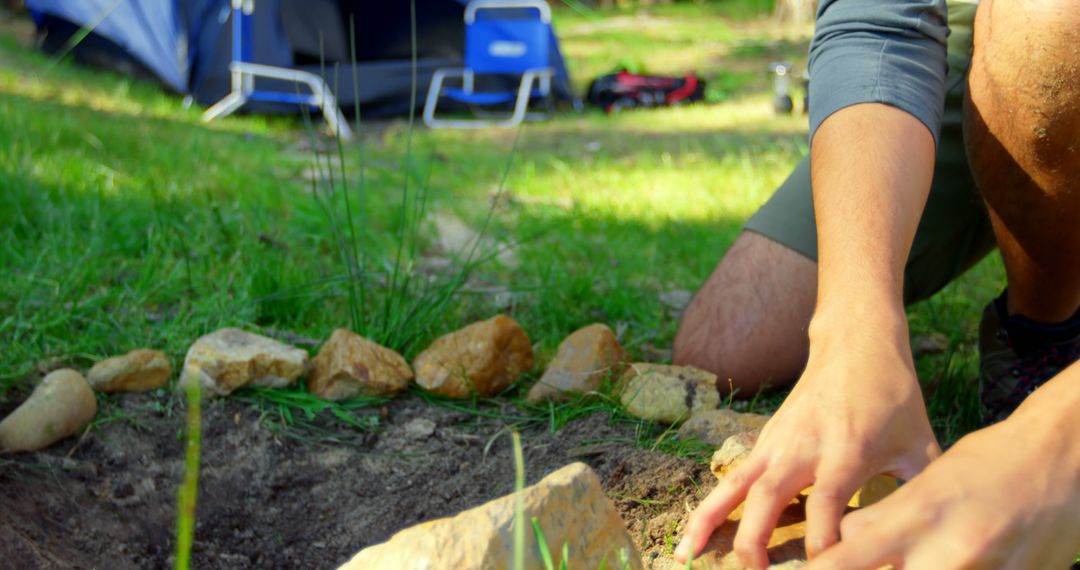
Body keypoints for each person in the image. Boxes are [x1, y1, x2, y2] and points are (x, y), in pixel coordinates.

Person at [670, 0, 1080, 567]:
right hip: (1006, 37)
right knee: (731, 341)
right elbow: (878, 20)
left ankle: (1046, 329)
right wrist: (854, 326)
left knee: (1050, 19)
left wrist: (1056, 440)